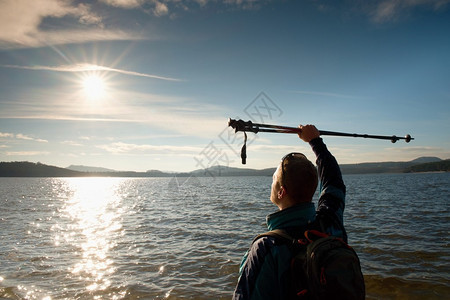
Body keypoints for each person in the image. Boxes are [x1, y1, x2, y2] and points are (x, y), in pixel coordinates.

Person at [232, 124, 348, 299]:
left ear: (281, 192)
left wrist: (314, 140)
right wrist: (315, 141)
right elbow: (334, 182)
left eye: (274, 179)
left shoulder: (266, 248)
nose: (271, 183)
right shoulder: (331, 223)